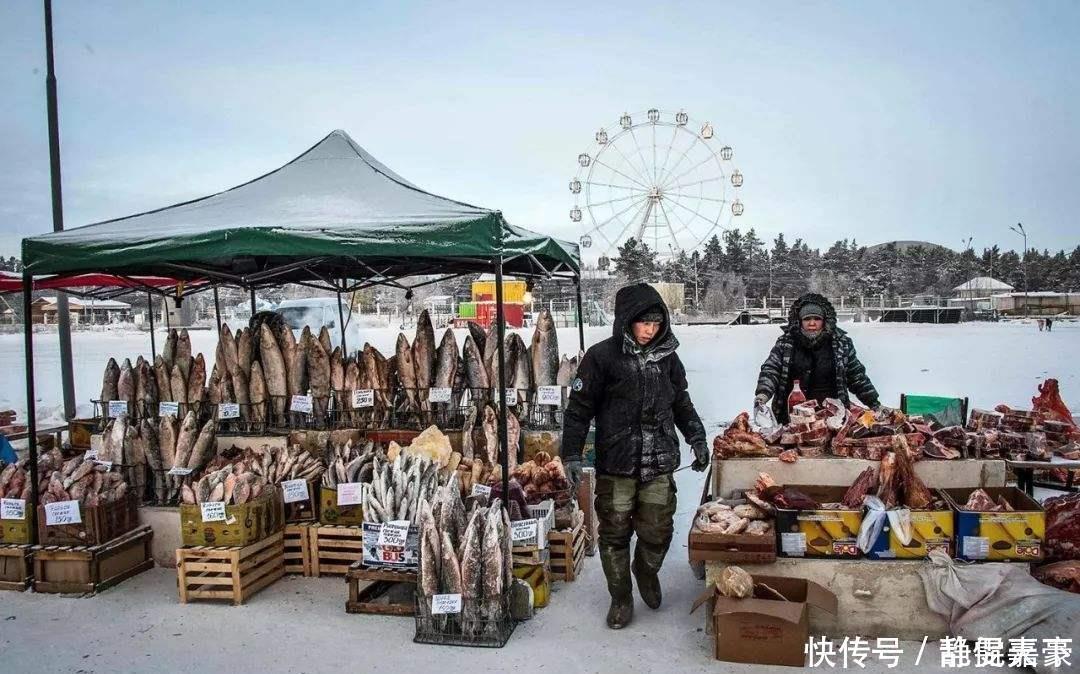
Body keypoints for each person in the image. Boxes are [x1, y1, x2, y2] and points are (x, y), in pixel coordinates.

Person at [561, 283, 708, 629]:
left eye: (656, 324)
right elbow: (579, 411)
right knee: (614, 534)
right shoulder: (601, 358)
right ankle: (621, 597)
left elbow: (681, 404)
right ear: (627, 321)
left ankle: (645, 570)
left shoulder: (668, 358)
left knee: (658, 530)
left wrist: (697, 438)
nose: (650, 331)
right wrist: (571, 455)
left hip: (658, 462)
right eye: (644, 324)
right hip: (617, 464)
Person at [755, 293, 880, 423]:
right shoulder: (785, 343)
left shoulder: (841, 344)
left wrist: (874, 403)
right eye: (807, 319)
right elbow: (771, 370)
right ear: (799, 321)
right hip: (791, 417)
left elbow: (856, 376)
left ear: (824, 321)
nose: (812, 323)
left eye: (817, 318)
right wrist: (763, 394)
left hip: (832, 418)